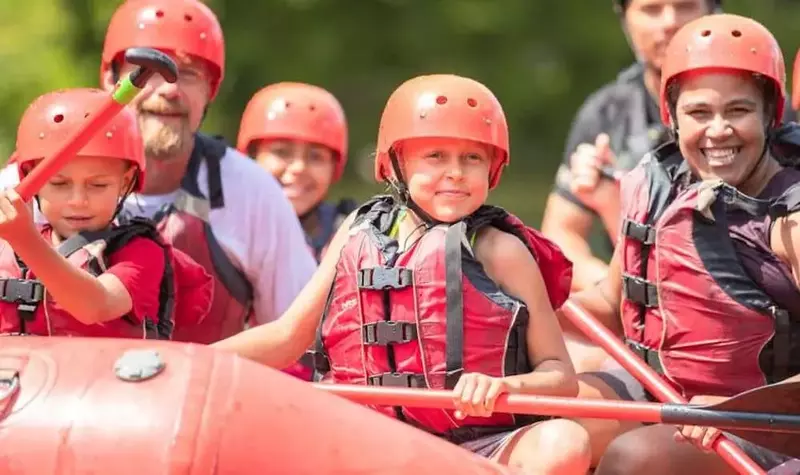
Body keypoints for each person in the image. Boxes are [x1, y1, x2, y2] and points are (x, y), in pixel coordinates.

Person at [212, 74, 592, 474]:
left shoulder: (502, 250)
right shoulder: (357, 232)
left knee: (564, 443)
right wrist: (188, 358)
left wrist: (505, 386)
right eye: (435, 156)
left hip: (480, 447)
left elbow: (560, 374)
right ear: (395, 163)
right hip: (371, 439)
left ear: (492, 168)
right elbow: (288, 336)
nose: (456, 173)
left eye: (472, 158)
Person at [0, 0, 317, 344]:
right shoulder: (22, 182)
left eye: (190, 73)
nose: (169, 88)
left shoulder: (253, 192)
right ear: (111, 79)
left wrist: (25, 239)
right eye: (149, 72)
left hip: (191, 393)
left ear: (210, 90)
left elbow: (299, 339)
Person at [565, 14, 800, 474]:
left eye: (738, 111)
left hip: (771, 419)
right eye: (699, 113)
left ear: (770, 114)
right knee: (560, 426)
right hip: (664, 389)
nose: (717, 131)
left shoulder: (790, 217)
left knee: (634, 461)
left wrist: (742, 409)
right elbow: (612, 304)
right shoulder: (658, 186)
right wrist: (520, 303)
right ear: (671, 115)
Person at [0, 88, 213, 338]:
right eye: (59, 184)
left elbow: (95, 306)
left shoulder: (142, 254)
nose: (78, 201)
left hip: (106, 377)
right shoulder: (7, 248)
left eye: (98, 185)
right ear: (29, 180)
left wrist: (25, 240)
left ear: (125, 183)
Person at [541, 0, 722, 294]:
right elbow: (561, 234)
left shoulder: (757, 107)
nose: (669, 22)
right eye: (652, 9)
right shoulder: (606, 113)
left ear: (714, 11)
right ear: (625, 21)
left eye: (685, 5)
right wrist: (613, 290)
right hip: (635, 307)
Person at [237, 82, 356, 263]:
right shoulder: (221, 228)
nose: (299, 167)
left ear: (334, 167)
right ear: (251, 158)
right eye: (281, 152)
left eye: (316, 157)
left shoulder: (355, 238)